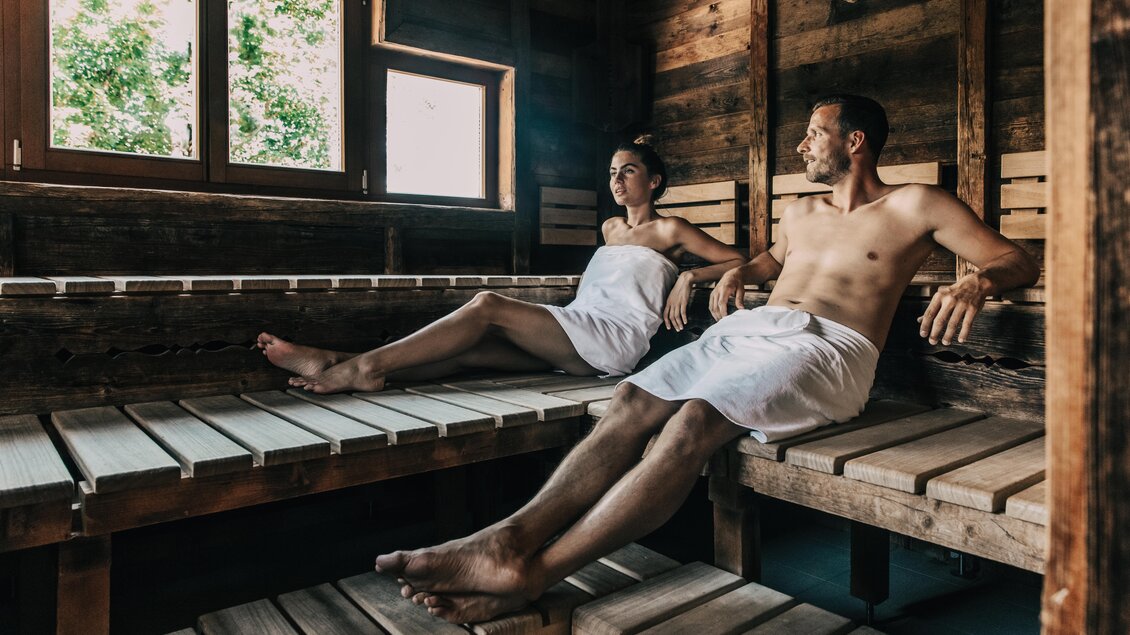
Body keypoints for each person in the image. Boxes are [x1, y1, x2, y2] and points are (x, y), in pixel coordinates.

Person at [371, 95, 1041, 623]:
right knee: (630, 402)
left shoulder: (916, 204)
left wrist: (974, 281)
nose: (803, 143)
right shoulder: (800, 211)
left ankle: (536, 571)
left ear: (854, 140)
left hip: (829, 347)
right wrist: (719, 273)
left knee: (690, 421)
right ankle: (507, 541)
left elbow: (1017, 259)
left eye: (814, 131)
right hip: (752, 329)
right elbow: (770, 263)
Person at [256, 138, 745, 393]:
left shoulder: (672, 230)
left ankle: (361, 366)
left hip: (612, 339)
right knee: (472, 351)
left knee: (487, 305)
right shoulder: (610, 229)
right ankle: (339, 361)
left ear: (654, 181)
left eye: (629, 171)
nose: (617, 180)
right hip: (579, 327)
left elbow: (738, 259)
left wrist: (688, 275)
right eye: (613, 173)